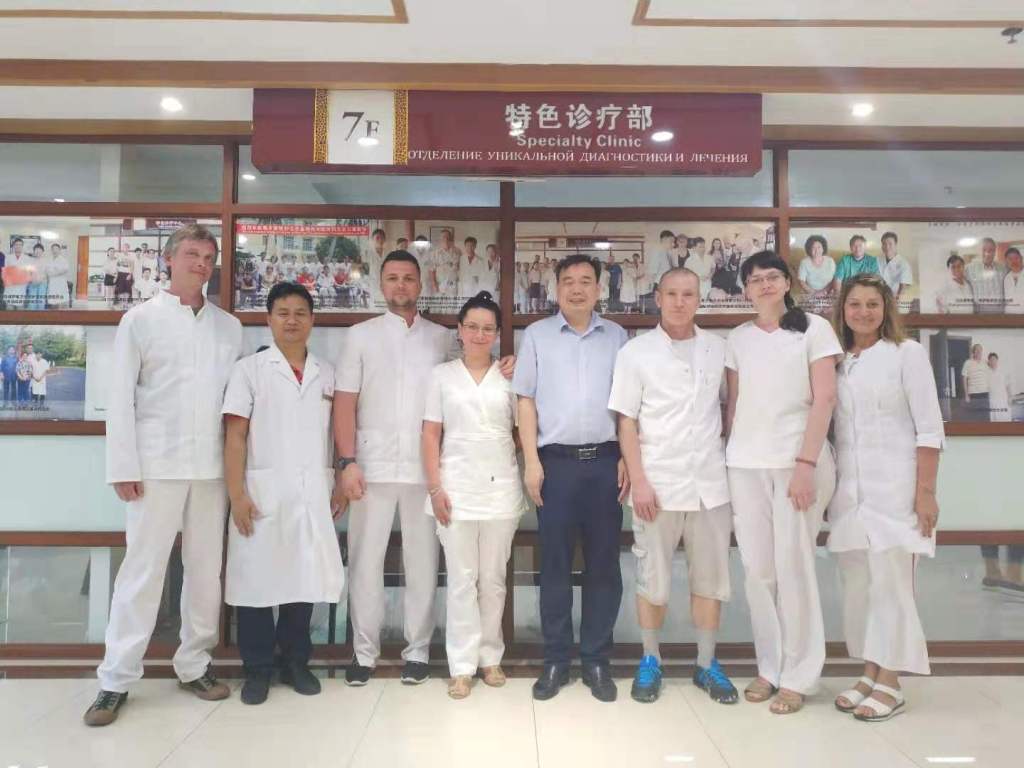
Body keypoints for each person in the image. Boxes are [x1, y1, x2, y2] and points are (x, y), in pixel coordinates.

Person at [84, 224, 242, 727]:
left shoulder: (228, 327)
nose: (201, 263)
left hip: (210, 469)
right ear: (169, 259)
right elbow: (120, 399)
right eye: (192, 254)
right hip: (155, 466)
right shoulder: (140, 320)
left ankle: (194, 664)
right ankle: (115, 679)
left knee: (206, 571)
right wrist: (123, 466)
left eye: (209, 256)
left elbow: (233, 405)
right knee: (142, 571)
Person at [334, 251, 515, 686]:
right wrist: (347, 461)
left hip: (427, 472)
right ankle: (364, 652)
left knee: (423, 564)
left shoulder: (441, 337)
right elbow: (344, 402)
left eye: (408, 278)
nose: (401, 285)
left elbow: (473, 369)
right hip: (371, 466)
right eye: (392, 278)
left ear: (420, 285)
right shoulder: (359, 336)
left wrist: (507, 364)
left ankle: (417, 651)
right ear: (381, 284)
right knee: (365, 563)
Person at [609, 268, 737, 705]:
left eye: (688, 294)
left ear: (699, 299)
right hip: (657, 485)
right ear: (657, 298)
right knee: (654, 579)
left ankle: (706, 663)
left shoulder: (718, 349)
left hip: (710, 486)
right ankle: (651, 660)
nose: (680, 302)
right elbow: (626, 420)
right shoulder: (636, 352)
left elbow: (730, 408)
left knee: (711, 579)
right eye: (672, 294)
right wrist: (639, 480)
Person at [725, 250, 842, 715]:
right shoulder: (738, 338)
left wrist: (806, 464)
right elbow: (735, 404)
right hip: (745, 464)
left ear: (788, 282)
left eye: (773, 277)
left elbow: (825, 398)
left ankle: (800, 674)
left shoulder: (814, 328)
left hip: (798, 463)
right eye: (756, 279)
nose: (765, 285)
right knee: (758, 572)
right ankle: (769, 667)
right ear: (745, 290)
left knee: (795, 568)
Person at [513, 253, 629, 703]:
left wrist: (626, 455)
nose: (577, 289)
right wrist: (531, 461)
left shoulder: (617, 337)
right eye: (568, 281)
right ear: (556, 288)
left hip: (605, 463)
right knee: (555, 565)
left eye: (585, 281)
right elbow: (525, 400)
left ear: (598, 289)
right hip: (555, 465)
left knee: (604, 565)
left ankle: (597, 660)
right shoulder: (537, 336)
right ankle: (556, 659)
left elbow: (628, 405)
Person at [222, 282, 345, 705]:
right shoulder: (249, 371)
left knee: (303, 579)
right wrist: (237, 494)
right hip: (261, 493)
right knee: (256, 584)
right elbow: (235, 436)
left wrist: (338, 481)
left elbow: (335, 435)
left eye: (300, 313)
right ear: (269, 319)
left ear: (312, 320)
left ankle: (296, 663)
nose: (292, 321)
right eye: (283, 313)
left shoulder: (327, 373)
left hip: (312, 493)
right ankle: (257, 670)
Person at [829, 273, 943, 722]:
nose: (863, 312)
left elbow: (929, 429)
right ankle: (869, 673)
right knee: (860, 588)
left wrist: (925, 494)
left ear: (886, 309)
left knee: (893, 587)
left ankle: (891, 682)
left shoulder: (906, 354)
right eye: (854, 304)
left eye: (872, 304)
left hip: (896, 492)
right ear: (842, 310)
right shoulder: (838, 361)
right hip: (850, 496)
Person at [422, 291, 526, 699]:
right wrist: (435, 487)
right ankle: (461, 666)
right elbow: (430, 434)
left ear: (497, 333)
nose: (479, 334)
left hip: (501, 488)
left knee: (493, 578)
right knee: (462, 579)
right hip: (455, 487)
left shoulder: (511, 375)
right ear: (460, 331)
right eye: (472, 327)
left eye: (487, 328)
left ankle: (490, 657)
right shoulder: (441, 376)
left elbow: (523, 430)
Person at [966, 238, 1006, 314]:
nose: (987, 254)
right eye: (984, 250)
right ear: (979, 251)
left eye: (991, 250)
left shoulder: (1004, 268)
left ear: (995, 251)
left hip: (1000, 311)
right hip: (979, 312)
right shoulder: (969, 269)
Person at [797, 235, 836, 301]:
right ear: (809, 249)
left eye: (819, 247)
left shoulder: (830, 261)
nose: (816, 250)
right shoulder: (804, 262)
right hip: (811, 293)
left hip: (828, 293)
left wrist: (824, 292)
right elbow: (801, 281)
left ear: (823, 248)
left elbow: (835, 278)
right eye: (813, 248)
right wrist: (814, 293)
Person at [879, 232, 913, 302]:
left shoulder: (903, 264)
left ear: (895, 245)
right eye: (884, 244)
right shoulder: (878, 261)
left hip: (894, 301)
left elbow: (902, 289)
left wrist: (895, 303)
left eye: (890, 244)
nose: (887, 247)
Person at [986, 352, 1013, 422]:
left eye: (994, 359)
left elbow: (1008, 385)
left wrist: (1010, 397)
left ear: (997, 360)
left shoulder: (1003, 371)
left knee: (1005, 418)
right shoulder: (986, 372)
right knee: (994, 419)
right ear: (989, 361)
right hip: (992, 401)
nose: (993, 361)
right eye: (991, 360)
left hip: (1003, 400)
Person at [961, 343, 990, 410]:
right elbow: (964, 379)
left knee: (984, 413)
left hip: (984, 392)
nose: (978, 351)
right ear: (973, 352)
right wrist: (966, 395)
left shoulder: (985, 362)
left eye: (980, 350)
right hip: (973, 393)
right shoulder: (967, 363)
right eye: (976, 349)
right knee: (974, 413)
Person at [46, 242, 71, 309]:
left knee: (60, 302)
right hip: (52, 283)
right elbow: (48, 271)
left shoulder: (63, 260)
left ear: (59, 250)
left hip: (60, 283)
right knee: (52, 302)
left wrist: (55, 272)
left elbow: (65, 270)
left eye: (56, 249)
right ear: (51, 250)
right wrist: (56, 271)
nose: (55, 251)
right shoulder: (49, 260)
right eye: (53, 249)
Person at [25, 242, 48, 310]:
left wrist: (40, 279)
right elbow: (28, 272)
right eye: (36, 250)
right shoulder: (30, 260)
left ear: (42, 251)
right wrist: (32, 280)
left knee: (41, 302)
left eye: (39, 250)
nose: (38, 251)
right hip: (32, 283)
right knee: (32, 303)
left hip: (42, 283)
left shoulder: (46, 261)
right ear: (34, 251)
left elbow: (48, 273)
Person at [1002, 247, 1024, 314]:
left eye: (1016, 258)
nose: (1014, 261)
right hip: (1009, 316)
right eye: (1010, 259)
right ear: (1006, 262)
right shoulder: (1006, 278)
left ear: (1021, 258)